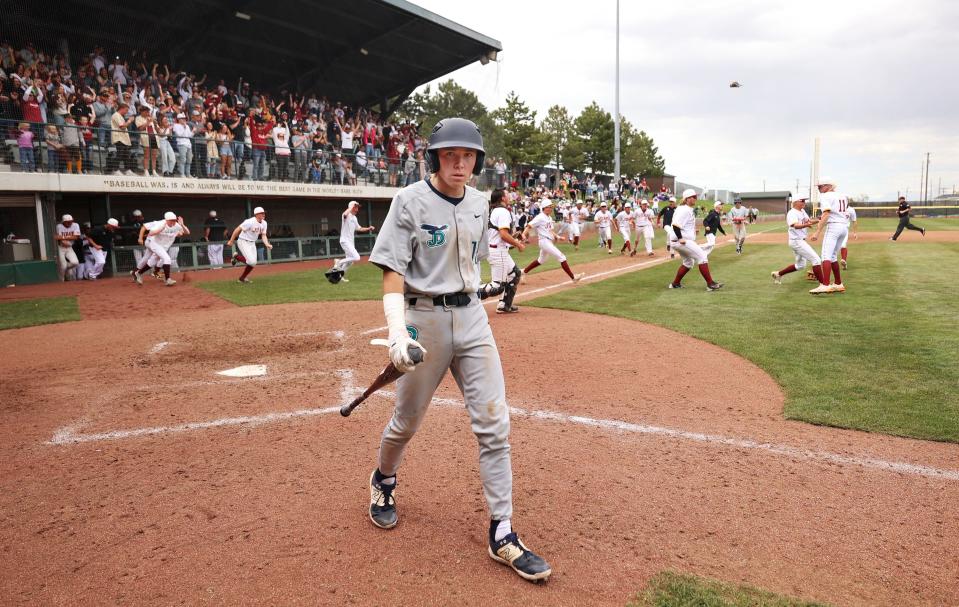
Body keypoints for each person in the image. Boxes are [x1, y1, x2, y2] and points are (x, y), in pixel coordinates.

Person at [365, 117, 551, 582]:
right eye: (451, 154)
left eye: (468, 156)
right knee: (405, 422)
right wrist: (396, 332)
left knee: (494, 422)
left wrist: (479, 286)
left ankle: (503, 531)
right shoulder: (408, 200)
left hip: (471, 319)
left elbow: (467, 259)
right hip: (422, 320)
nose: (460, 163)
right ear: (434, 157)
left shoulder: (480, 202)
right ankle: (383, 480)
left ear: (477, 161)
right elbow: (391, 269)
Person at [668, 189, 723, 291]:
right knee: (702, 256)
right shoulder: (684, 210)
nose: (695, 198)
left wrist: (692, 231)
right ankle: (710, 284)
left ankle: (675, 283)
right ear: (687, 199)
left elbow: (682, 225)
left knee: (688, 263)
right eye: (693, 197)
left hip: (679, 241)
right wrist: (680, 238)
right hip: (681, 241)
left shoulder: (685, 209)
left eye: (696, 196)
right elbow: (676, 225)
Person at [521, 198, 584, 283]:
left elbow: (550, 230)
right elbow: (529, 226)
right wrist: (524, 234)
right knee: (562, 257)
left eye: (551, 207)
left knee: (541, 260)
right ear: (544, 207)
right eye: (549, 207)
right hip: (544, 241)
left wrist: (558, 237)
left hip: (548, 241)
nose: (551, 208)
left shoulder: (549, 217)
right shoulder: (540, 217)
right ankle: (573, 278)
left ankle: (523, 272)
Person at [486, 188, 525, 314]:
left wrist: (515, 236)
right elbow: (503, 235)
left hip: (497, 249)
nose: (509, 196)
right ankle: (469, 297)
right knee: (497, 287)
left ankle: (504, 305)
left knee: (514, 274)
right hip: (498, 252)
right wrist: (518, 244)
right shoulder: (502, 211)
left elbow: (500, 234)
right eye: (507, 195)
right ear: (502, 198)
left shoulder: (495, 210)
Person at [771, 196, 824, 286]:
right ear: (795, 202)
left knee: (800, 266)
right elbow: (795, 225)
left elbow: (809, 221)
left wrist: (820, 219)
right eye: (802, 201)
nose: (804, 202)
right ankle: (823, 284)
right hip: (796, 241)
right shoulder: (792, 213)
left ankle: (778, 274)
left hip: (799, 241)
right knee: (816, 260)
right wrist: (806, 225)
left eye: (804, 201)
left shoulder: (802, 211)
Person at [808, 176, 848, 294]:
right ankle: (838, 283)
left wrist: (817, 231)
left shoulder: (825, 196)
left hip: (834, 227)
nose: (819, 188)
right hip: (844, 227)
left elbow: (826, 214)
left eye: (821, 186)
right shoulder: (842, 195)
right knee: (833, 256)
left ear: (828, 186)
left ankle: (825, 285)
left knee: (826, 255)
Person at [130, 212, 189, 286]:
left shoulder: (176, 225)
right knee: (167, 259)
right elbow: (150, 233)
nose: (173, 222)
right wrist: (141, 238)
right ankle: (167, 279)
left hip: (163, 246)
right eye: (171, 220)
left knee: (152, 262)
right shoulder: (160, 224)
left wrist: (182, 225)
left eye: (174, 220)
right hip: (154, 243)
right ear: (166, 220)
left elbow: (186, 232)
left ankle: (138, 273)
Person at [325, 200, 375, 284]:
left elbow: (359, 228)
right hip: (345, 241)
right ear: (351, 207)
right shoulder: (346, 215)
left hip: (350, 242)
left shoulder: (354, 218)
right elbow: (344, 214)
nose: (357, 209)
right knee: (357, 257)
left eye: (357, 207)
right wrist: (350, 207)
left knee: (350, 262)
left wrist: (368, 228)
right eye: (356, 207)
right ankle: (338, 262)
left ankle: (339, 277)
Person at [227, 206, 272, 283]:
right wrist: (231, 240)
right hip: (243, 241)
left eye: (264, 213)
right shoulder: (249, 221)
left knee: (253, 263)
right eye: (262, 213)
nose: (264, 214)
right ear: (256, 214)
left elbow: (263, 235)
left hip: (252, 243)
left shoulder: (264, 223)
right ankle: (237, 257)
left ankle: (242, 278)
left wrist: (267, 244)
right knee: (251, 262)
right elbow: (237, 229)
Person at [55, 214, 81, 280]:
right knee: (63, 266)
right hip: (60, 248)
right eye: (68, 221)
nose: (70, 223)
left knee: (75, 262)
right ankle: (61, 280)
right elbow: (56, 237)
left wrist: (63, 237)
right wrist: (63, 239)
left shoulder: (75, 225)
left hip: (69, 247)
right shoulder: (59, 226)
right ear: (63, 222)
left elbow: (76, 237)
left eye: (71, 221)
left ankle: (65, 268)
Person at [839, 204, 858, 269]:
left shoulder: (851, 210)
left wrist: (855, 233)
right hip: (835, 229)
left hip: (845, 229)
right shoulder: (837, 207)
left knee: (843, 245)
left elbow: (854, 221)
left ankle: (844, 260)